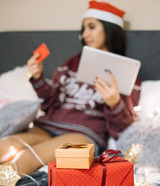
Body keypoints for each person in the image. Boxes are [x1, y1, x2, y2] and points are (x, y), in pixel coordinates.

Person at [0, 1, 141, 175]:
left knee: (27, 158)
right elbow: (51, 103)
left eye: (91, 27)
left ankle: (4, 181)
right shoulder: (71, 64)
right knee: (5, 147)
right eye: (83, 29)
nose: (84, 34)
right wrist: (38, 79)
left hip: (85, 133)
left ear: (109, 29)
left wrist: (114, 104)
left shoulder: (127, 74)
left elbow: (123, 128)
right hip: (48, 126)